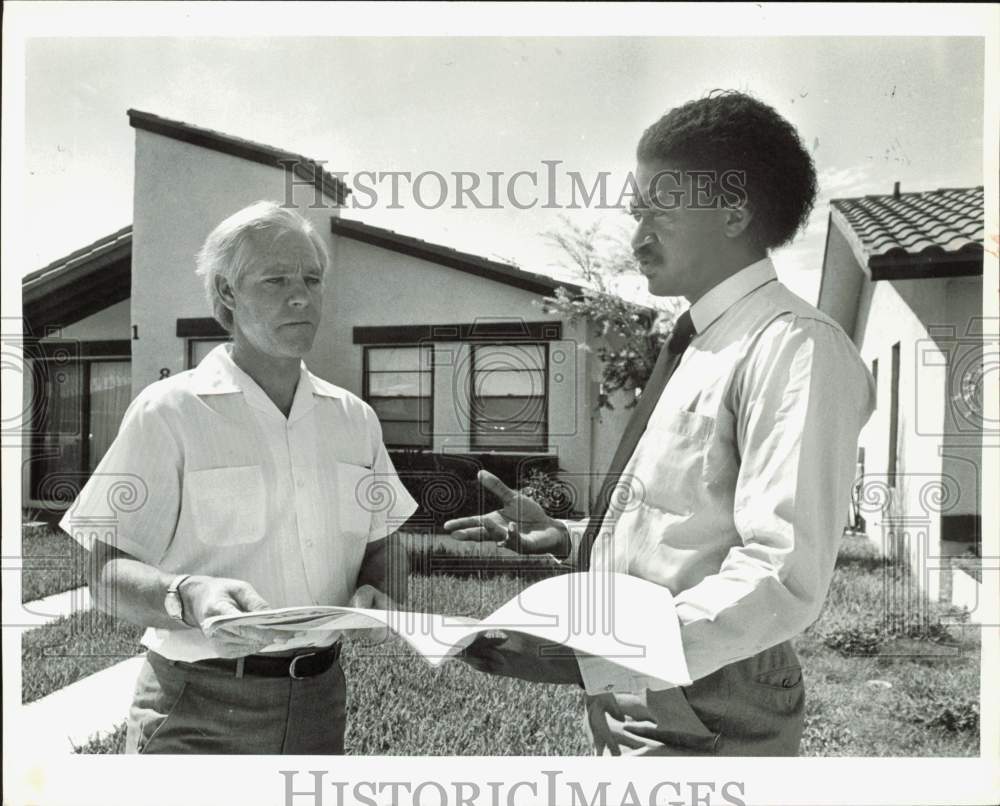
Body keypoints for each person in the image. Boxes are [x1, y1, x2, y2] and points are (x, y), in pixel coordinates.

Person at [445, 90, 875, 756]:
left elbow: (783, 575)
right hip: (645, 681)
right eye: (635, 213)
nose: (638, 238)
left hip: (707, 691)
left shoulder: (794, 346)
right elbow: (687, 519)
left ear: (734, 211)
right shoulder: (701, 339)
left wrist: (592, 653)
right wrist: (568, 534)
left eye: (657, 213)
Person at [60, 201, 417, 754]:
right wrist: (189, 594)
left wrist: (383, 590)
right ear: (227, 294)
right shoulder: (169, 411)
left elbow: (384, 542)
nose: (300, 296)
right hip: (195, 704)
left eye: (311, 279)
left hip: (319, 701)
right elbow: (104, 575)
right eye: (275, 280)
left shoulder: (354, 418)